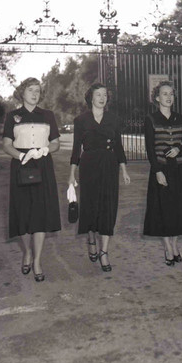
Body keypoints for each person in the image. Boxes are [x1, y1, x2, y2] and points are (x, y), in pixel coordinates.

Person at [2, 77, 61, 282]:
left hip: (43, 165)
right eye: (30, 90)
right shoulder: (13, 116)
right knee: (23, 211)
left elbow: (55, 143)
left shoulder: (47, 115)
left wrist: (44, 149)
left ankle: (37, 260)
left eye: (37, 90)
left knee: (40, 212)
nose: (34, 94)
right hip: (21, 165)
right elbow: (7, 144)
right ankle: (27, 251)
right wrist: (21, 156)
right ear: (22, 93)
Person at [68, 83, 130, 272]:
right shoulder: (81, 120)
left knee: (108, 207)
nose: (102, 98)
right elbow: (76, 148)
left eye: (104, 95)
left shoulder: (114, 119)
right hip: (88, 167)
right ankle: (91, 237)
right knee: (91, 206)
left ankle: (104, 252)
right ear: (91, 98)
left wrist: (124, 169)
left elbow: (118, 146)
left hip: (109, 165)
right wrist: (72, 173)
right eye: (98, 95)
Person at [143, 81, 182, 266]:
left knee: (178, 210)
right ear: (157, 98)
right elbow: (149, 148)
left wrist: (179, 148)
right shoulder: (151, 119)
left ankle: (175, 245)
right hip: (162, 170)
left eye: (171, 93)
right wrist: (157, 171)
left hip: (179, 170)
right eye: (164, 94)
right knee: (163, 210)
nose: (168, 97)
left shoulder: (181, 118)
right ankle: (167, 248)